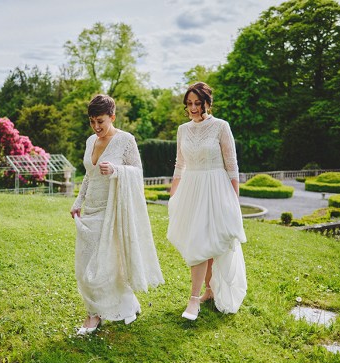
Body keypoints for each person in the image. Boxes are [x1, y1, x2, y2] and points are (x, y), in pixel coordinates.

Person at [70, 94, 164, 335]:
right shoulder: (91, 140)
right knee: (83, 266)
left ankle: (94, 316)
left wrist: (116, 170)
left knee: (104, 266)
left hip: (111, 211)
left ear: (112, 117)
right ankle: (126, 304)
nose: (96, 127)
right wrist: (78, 201)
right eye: (92, 121)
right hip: (90, 210)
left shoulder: (125, 140)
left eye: (100, 121)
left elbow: (137, 172)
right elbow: (89, 176)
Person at [167, 82, 247, 320]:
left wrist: (234, 200)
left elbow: (232, 166)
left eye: (197, 103)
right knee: (199, 239)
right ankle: (209, 291)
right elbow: (179, 165)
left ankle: (194, 300)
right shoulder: (182, 130)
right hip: (191, 188)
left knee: (207, 240)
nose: (193, 108)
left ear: (207, 103)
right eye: (189, 104)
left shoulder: (221, 127)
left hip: (216, 187)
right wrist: (173, 196)